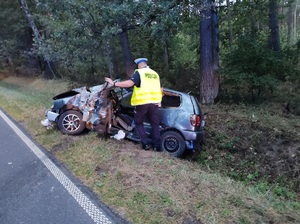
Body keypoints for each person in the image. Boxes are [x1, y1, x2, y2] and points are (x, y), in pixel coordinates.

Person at [105, 58, 162, 151]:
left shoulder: (139, 73)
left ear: (139, 65)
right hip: (155, 103)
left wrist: (114, 83)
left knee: (138, 122)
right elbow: (161, 89)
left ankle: (145, 144)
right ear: (146, 64)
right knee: (155, 124)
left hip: (142, 103)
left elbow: (129, 83)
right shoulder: (155, 74)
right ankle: (157, 146)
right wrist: (159, 100)